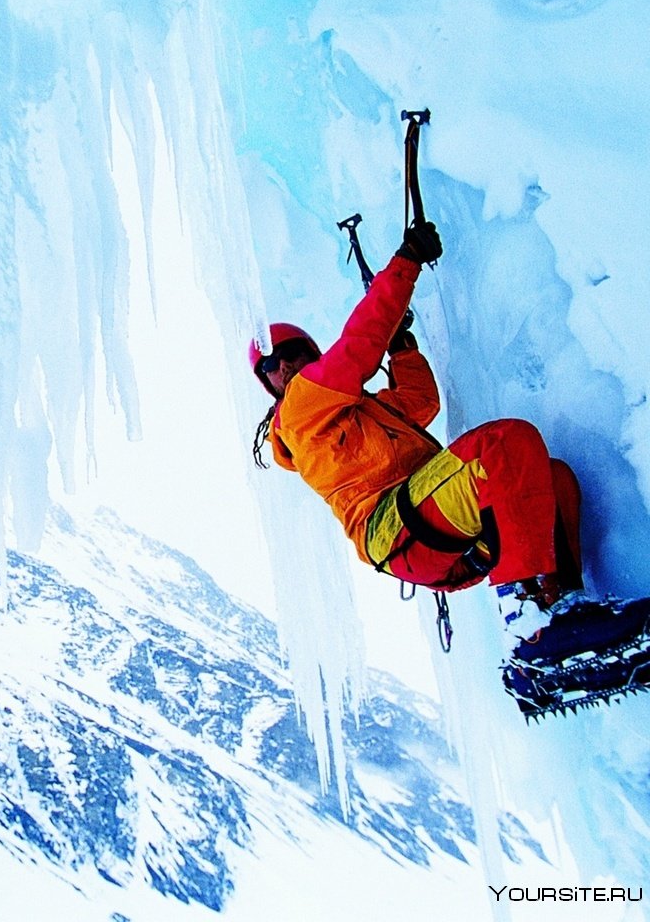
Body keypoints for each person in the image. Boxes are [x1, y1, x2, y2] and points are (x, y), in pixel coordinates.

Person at [249, 221, 650, 717]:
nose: (283, 367)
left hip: (425, 538)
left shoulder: (359, 417)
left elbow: (421, 402)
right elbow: (357, 347)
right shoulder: (300, 409)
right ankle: (530, 628)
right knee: (502, 444)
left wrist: (403, 347)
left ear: (308, 356)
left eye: (290, 355)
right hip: (399, 526)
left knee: (553, 478)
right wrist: (405, 264)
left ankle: (558, 611)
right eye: (271, 365)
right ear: (271, 386)